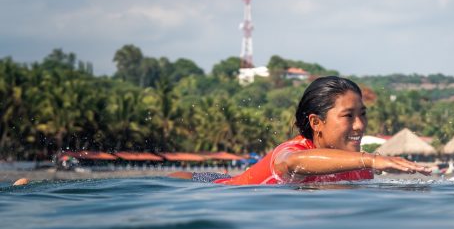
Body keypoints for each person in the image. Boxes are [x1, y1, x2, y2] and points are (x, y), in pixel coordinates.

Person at [170, 76, 430, 185]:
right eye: (348, 116)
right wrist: (373, 159)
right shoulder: (292, 151)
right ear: (316, 123)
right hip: (217, 190)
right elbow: (292, 163)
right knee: (186, 178)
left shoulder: (357, 163)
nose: (360, 126)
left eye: (362, 115)